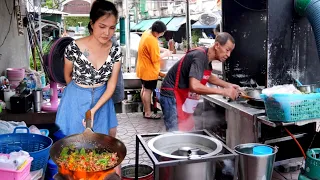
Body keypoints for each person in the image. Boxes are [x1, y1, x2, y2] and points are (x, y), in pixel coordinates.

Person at [55, 0, 121, 137]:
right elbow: (68, 76)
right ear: (92, 23)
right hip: (75, 99)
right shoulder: (74, 47)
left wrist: (94, 109)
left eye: (112, 27)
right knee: (72, 144)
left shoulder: (115, 50)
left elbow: (111, 85)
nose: (107, 32)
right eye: (102, 26)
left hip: (102, 100)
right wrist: (79, 94)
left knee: (102, 145)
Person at [160, 32, 239, 132]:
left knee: (185, 129)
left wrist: (228, 85)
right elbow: (195, 86)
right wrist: (224, 92)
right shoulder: (199, 56)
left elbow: (208, 76)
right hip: (171, 94)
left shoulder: (207, 57)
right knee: (175, 132)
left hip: (181, 94)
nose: (228, 55)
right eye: (227, 50)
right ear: (217, 45)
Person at [136, 20, 170, 119]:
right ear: (157, 32)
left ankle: (145, 110)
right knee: (148, 91)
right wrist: (166, 54)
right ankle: (148, 113)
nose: (162, 35)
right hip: (149, 71)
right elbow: (155, 58)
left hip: (142, 68)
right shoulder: (152, 40)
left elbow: (151, 49)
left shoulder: (147, 34)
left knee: (144, 89)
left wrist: (163, 49)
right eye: (162, 33)